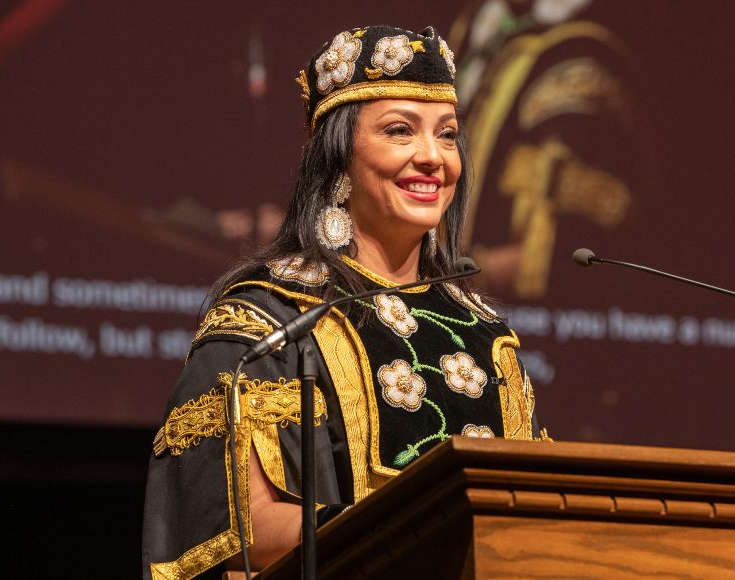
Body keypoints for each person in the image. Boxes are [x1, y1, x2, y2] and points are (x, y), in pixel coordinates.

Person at [142, 24, 548, 580]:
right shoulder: (270, 319)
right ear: (337, 160)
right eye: (400, 131)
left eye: (449, 134)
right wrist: (414, 529)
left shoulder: (484, 332)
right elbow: (243, 525)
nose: (433, 157)